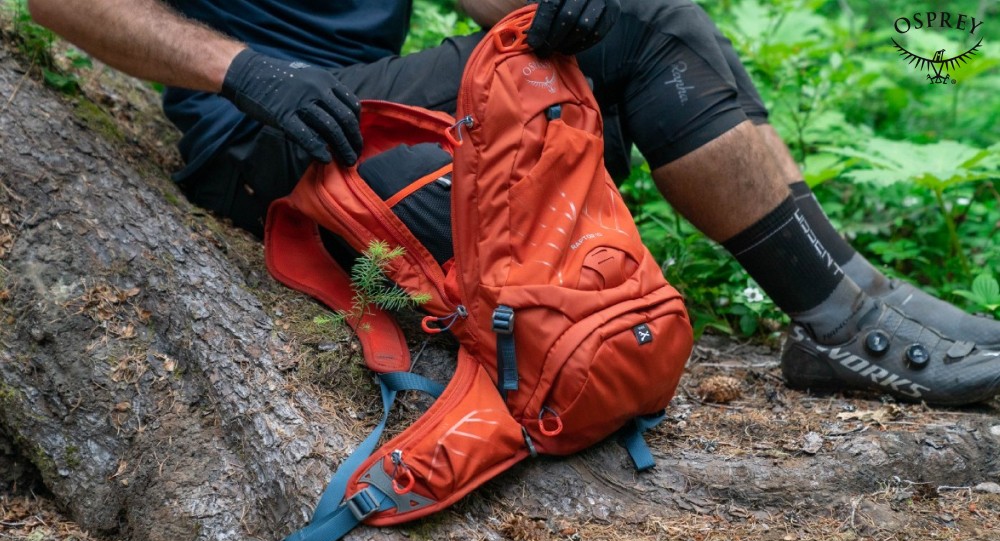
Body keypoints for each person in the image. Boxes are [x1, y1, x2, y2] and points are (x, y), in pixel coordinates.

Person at [27, 0, 1000, 405]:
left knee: (633, 31)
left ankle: (854, 307)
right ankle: (841, 321)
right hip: (275, 151)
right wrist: (246, 73)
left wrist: (566, 9)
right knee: (638, 41)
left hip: (383, 121)